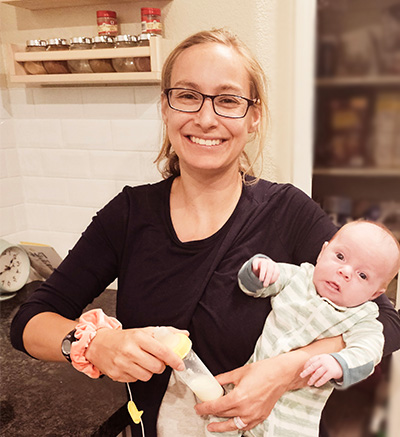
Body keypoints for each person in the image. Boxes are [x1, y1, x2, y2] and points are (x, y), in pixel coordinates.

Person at [10, 28, 400, 437]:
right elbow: (29, 322)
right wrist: (93, 345)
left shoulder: (289, 212)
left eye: (228, 100)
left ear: (254, 116)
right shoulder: (129, 214)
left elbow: (387, 323)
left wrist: (283, 371)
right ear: (165, 106)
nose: (206, 118)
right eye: (187, 95)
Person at [234, 220, 400, 436]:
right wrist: (261, 268)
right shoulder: (298, 277)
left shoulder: (363, 319)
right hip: (244, 393)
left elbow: (369, 352)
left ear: (375, 294)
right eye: (340, 257)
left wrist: (339, 362)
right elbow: (253, 286)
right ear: (322, 253)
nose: (345, 271)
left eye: (362, 275)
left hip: (293, 422)